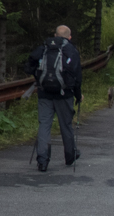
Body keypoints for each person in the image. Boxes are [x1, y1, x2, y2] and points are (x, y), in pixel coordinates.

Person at [27, 25, 83, 171]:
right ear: (69, 37)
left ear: (55, 35)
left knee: (44, 125)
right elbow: (77, 77)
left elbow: (28, 66)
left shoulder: (44, 48)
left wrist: (39, 79)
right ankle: (70, 156)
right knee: (66, 125)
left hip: (44, 93)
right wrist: (78, 95)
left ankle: (43, 161)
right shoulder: (71, 50)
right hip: (65, 95)